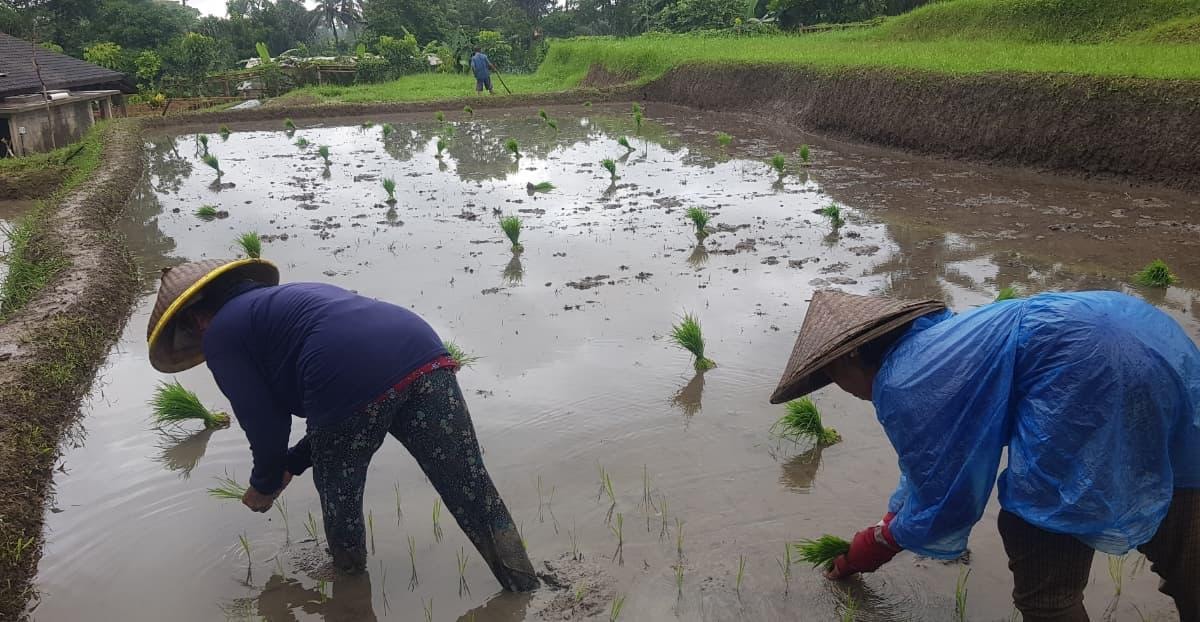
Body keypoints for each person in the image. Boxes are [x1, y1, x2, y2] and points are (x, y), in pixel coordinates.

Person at [770, 289, 1199, 622]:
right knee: (1181, 502)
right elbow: (931, 467)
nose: (842, 388)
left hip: (1081, 369)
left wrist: (875, 545)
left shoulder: (900, 383)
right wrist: (891, 519)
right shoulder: (941, 341)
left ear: (850, 356)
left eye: (832, 376)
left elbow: (950, 499)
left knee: (1041, 549)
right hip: (1150, 333)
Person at [146, 258, 538, 591]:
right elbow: (340, 417)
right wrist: (291, 465)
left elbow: (267, 422)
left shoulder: (221, 333)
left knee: (341, 497)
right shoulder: (291, 298)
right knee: (469, 484)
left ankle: (350, 592)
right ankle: (523, 584)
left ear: (196, 318)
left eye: (192, 331)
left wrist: (264, 484)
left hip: (347, 375)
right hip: (420, 350)